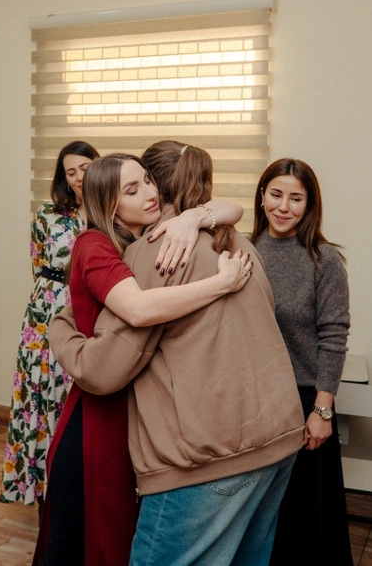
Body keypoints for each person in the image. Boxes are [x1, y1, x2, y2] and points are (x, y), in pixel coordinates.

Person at [49, 141, 306, 566]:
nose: (145, 194)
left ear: (158, 187)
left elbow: (102, 370)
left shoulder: (158, 249)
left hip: (211, 458)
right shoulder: (239, 241)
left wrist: (61, 325)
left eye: (146, 182)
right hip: (278, 438)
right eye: (131, 188)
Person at [250, 158, 353, 566]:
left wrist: (322, 410)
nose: (283, 206)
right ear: (262, 197)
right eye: (276, 194)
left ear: (309, 205)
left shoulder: (324, 260)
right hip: (254, 399)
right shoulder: (242, 251)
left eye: (296, 198)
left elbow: (334, 337)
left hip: (304, 400)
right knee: (258, 516)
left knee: (303, 517)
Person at [0, 140, 99, 512]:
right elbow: (37, 265)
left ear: (98, 166)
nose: (78, 177)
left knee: (75, 396)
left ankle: (76, 494)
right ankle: (43, 493)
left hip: (89, 311)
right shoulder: (48, 214)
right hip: (45, 314)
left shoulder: (110, 212)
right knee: (42, 397)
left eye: (84, 168)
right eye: (70, 172)